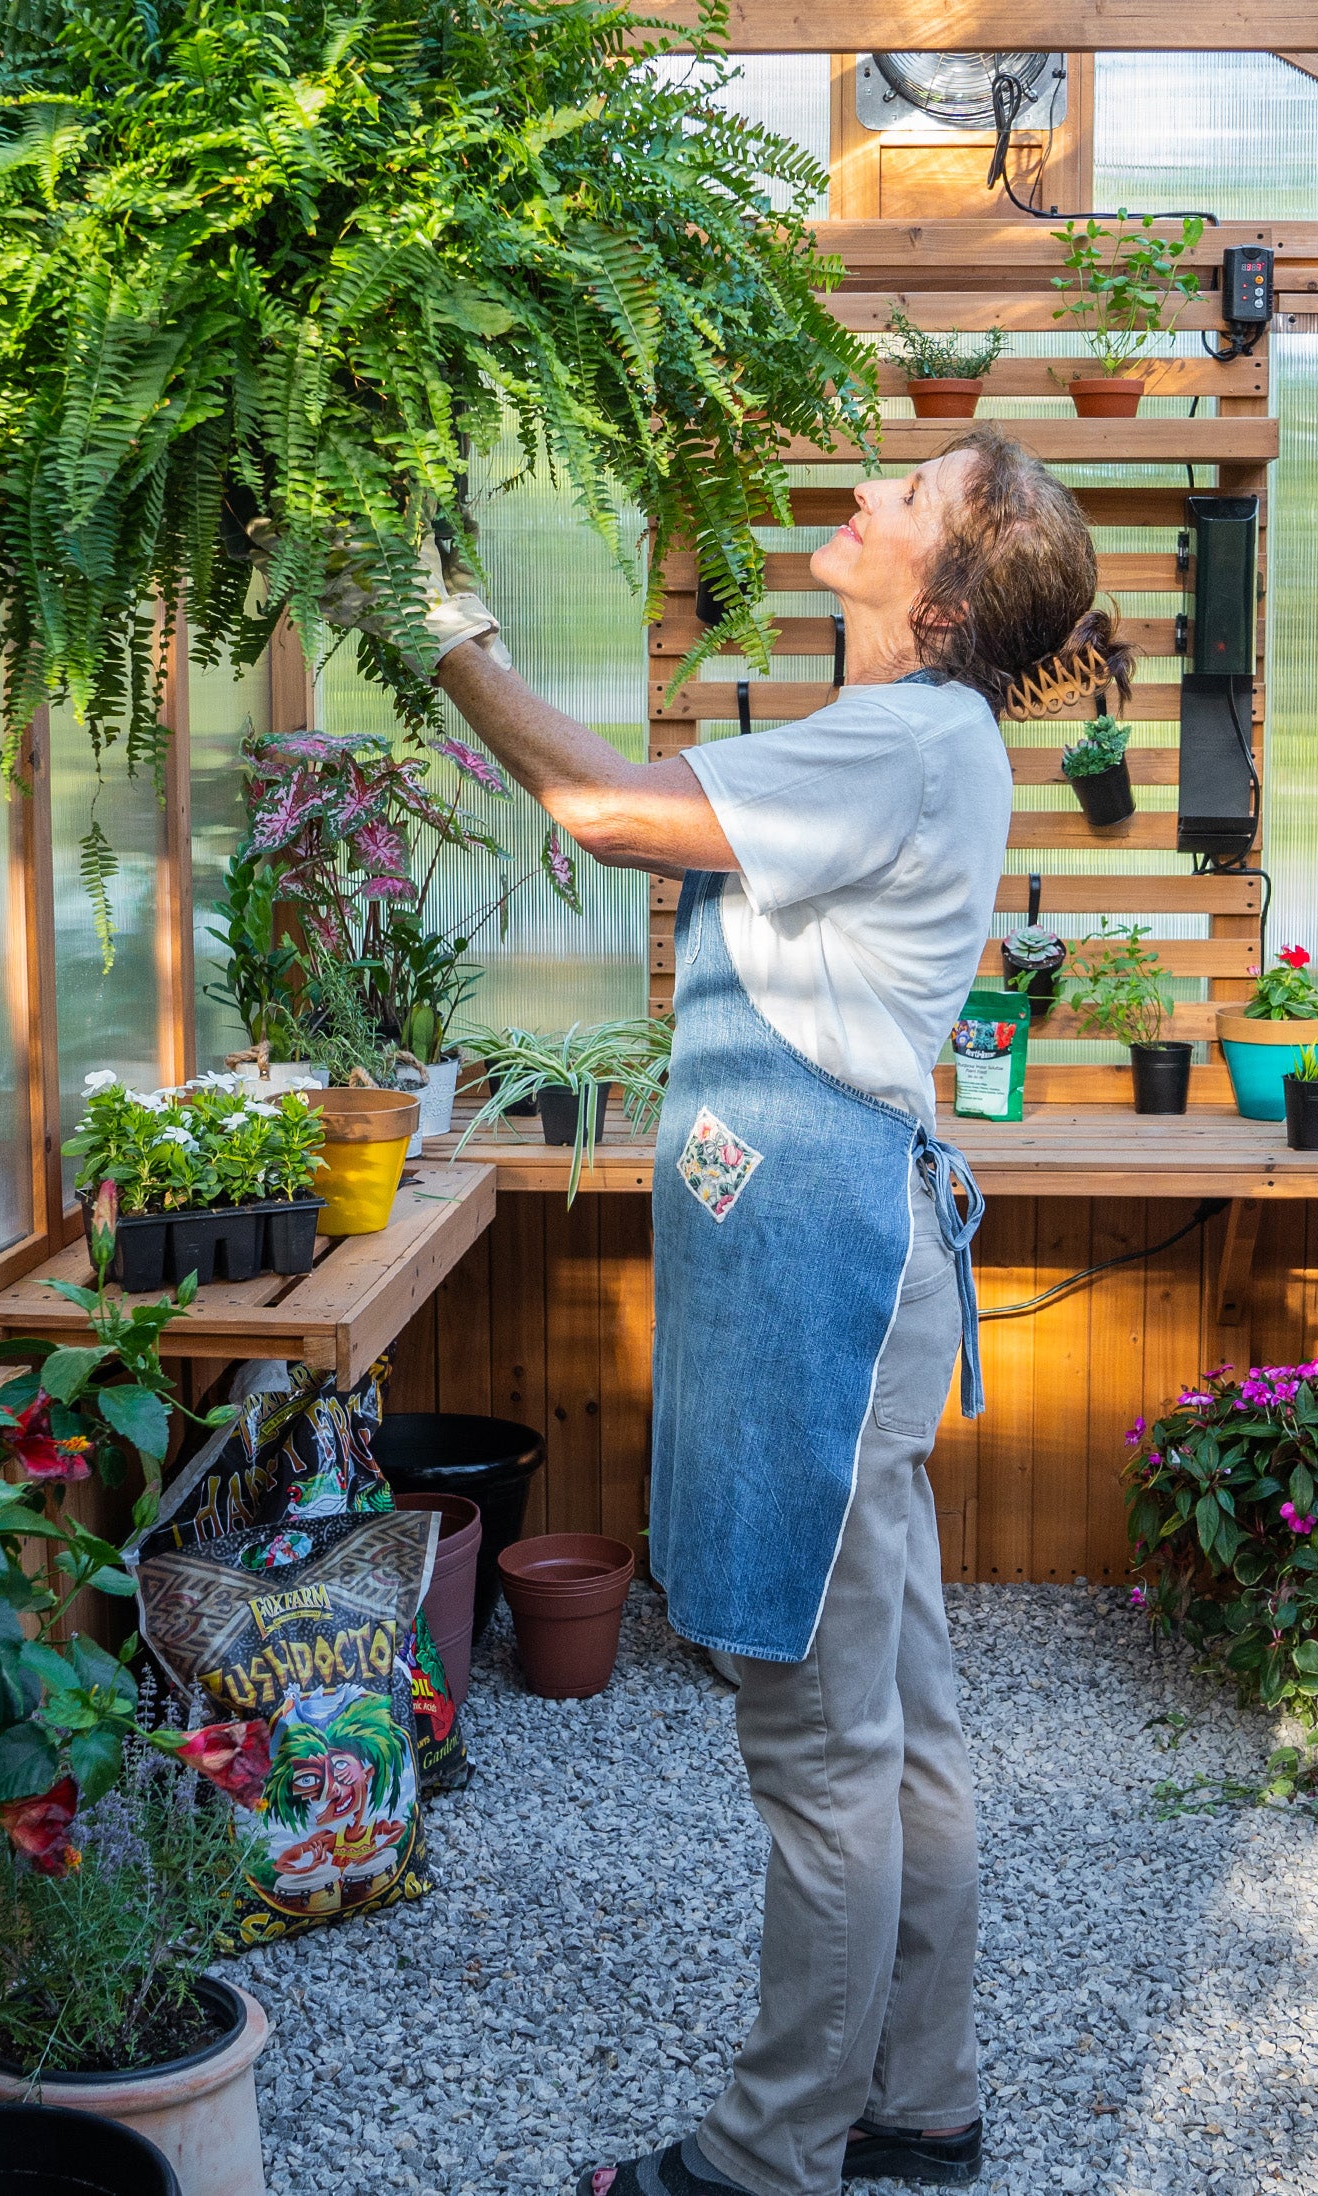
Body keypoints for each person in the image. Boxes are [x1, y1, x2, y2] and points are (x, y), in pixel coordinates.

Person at [407, 426, 1133, 2196]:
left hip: (818, 1275)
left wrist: (445, 639)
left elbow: (599, 809)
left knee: (820, 1747)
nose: (869, 494)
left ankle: (769, 2155)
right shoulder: (908, 738)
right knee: (900, 1725)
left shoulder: (900, 737)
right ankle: (920, 2095)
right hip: (840, 1256)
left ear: (940, 596)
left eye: (909, 496)